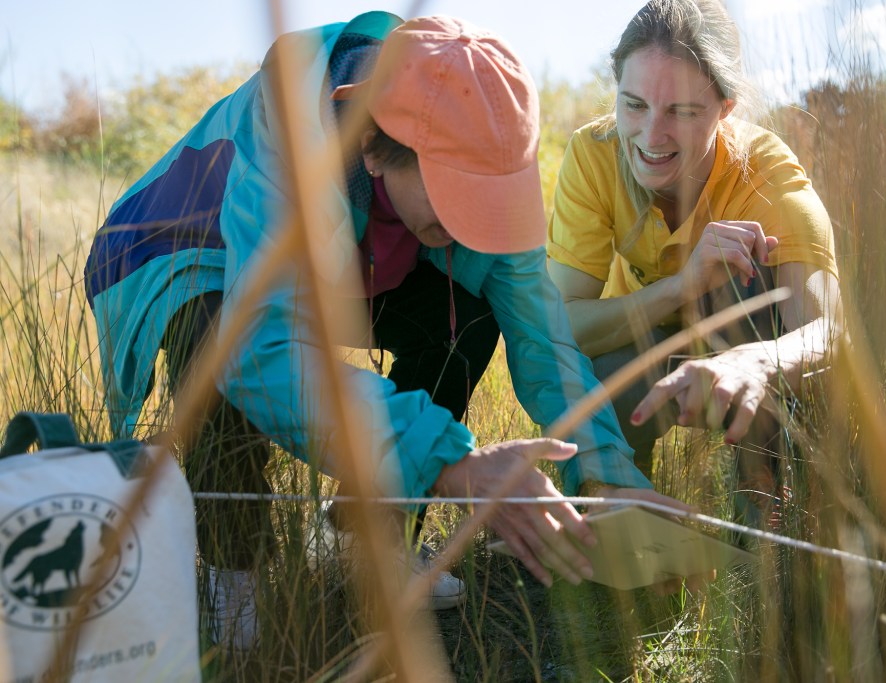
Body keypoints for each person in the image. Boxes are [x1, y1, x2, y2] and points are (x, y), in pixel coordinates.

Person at [84, 12, 678, 652]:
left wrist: (612, 477)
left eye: (490, 202)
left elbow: (545, 342)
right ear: (371, 144)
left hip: (355, 260)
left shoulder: (486, 140)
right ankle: (237, 584)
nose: (474, 227)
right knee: (216, 344)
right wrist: (449, 462)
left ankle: (364, 538)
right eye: (456, 198)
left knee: (466, 316)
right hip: (193, 248)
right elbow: (260, 353)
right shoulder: (288, 128)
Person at [547, 0, 843, 521]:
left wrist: (757, 362)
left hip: (746, 354)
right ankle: (617, 505)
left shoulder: (768, 177)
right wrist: (680, 287)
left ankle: (763, 495)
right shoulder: (593, 155)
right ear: (614, 90)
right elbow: (561, 325)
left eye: (682, 112)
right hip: (645, 353)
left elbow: (829, 333)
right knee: (598, 364)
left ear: (725, 108)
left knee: (755, 276)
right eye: (633, 104)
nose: (651, 136)